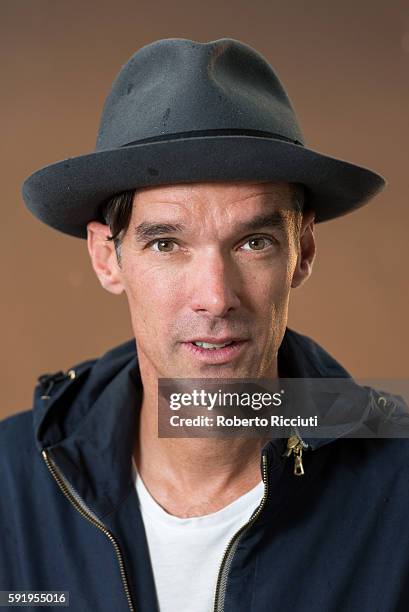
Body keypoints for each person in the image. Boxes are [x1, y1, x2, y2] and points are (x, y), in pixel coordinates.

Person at [1, 37, 408, 612]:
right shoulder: (11, 482)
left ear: (304, 250)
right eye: (167, 243)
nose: (216, 297)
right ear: (106, 257)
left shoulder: (400, 478)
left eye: (254, 241)